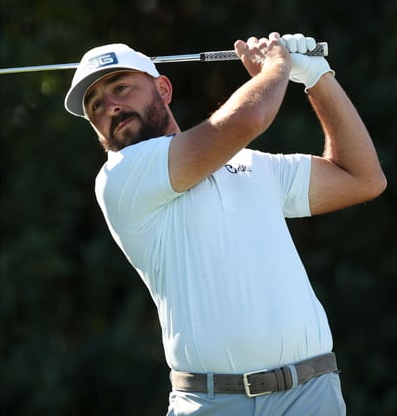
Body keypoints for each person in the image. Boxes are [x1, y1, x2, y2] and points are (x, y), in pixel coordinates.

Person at [63, 33, 386, 415]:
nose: (111, 107)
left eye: (121, 88)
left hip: (310, 394)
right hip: (213, 402)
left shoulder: (253, 164)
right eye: (96, 105)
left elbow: (363, 178)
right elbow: (249, 117)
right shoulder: (120, 177)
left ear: (163, 89)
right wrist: (278, 65)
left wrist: (318, 79)